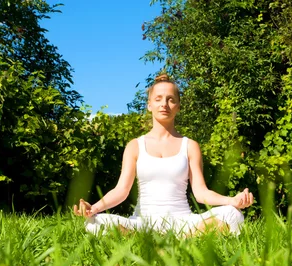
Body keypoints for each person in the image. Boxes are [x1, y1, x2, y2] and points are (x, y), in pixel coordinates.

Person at [73, 74, 254, 235]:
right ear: (149, 105)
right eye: (158, 99)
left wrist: (232, 200)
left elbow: (201, 192)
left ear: (178, 106)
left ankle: (173, 238)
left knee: (233, 214)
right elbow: (122, 191)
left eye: (170, 99)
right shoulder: (135, 146)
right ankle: (169, 239)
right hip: (142, 223)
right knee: (94, 223)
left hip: (183, 222)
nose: (164, 104)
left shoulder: (190, 146)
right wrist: (94, 208)